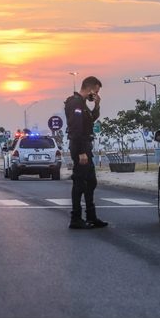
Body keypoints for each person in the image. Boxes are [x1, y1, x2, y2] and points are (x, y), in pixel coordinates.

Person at [64, 76, 108, 229]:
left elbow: (90, 119)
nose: (95, 94)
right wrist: (82, 151)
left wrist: (97, 105)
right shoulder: (75, 103)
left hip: (84, 145)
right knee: (79, 182)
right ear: (91, 88)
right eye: (95, 92)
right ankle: (75, 218)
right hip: (80, 146)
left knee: (91, 181)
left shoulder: (82, 104)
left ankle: (91, 216)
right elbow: (76, 128)